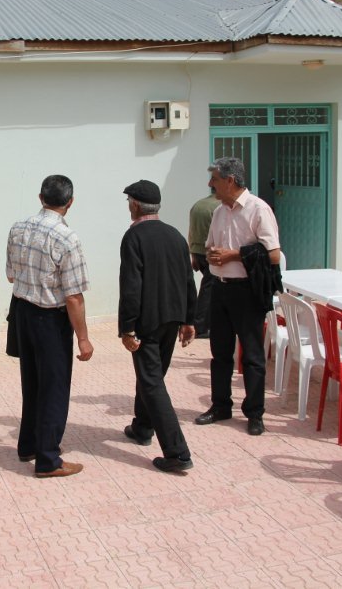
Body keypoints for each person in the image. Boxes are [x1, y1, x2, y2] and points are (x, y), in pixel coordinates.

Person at [6, 174, 93, 478]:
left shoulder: (18, 228)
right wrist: (83, 338)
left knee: (31, 382)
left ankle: (29, 445)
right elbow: (74, 296)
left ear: (40, 198)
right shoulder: (67, 238)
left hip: (22, 313)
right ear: (70, 202)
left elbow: (10, 275)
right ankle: (48, 459)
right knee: (54, 387)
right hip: (50, 319)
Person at [196, 157, 281, 437]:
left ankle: (255, 413)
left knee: (252, 355)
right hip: (220, 288)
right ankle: (220, 406)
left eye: (215, 179)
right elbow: (211, 245)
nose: (210, 184)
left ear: (230, 181)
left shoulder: (258, 209)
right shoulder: (219, 211)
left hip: (246, 291)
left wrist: (233, 255)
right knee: (220, 352)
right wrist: (212, 254)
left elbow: (273, 254)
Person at [118, 180, 197, 472]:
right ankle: (142, 427)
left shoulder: (134, 237)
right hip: (172, 319)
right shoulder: (175, 235)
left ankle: (178, 453)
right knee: (152, 376)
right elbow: (188, 280)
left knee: (152, 382)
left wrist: (127, 328)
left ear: (135, 205)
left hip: (147, 322)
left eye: (129, 202)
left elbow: (131, 286)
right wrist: (189, 320)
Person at [187, 189, 220, 338]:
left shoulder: (197, 205)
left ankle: (206, 323)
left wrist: (193, 254)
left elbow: (191, 231)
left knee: (210, 288)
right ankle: (199, 326)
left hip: (197, 251)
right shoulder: (220, 207)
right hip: (211, 253)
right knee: (208, 290)